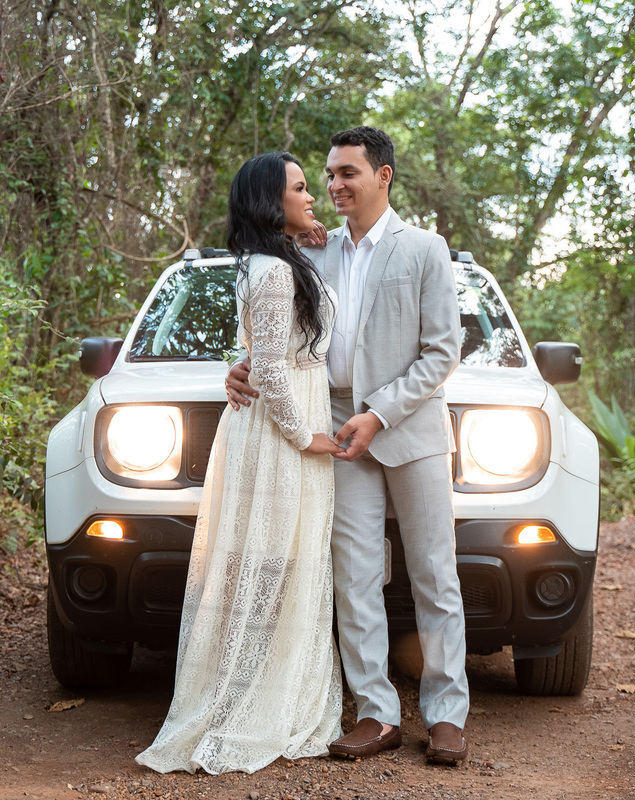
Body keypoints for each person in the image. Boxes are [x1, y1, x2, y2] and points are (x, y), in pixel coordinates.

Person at [227, 126, 470, 765]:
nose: (334, 186)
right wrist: (240, 365)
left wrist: (380, 414)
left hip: (408, 432)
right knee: (355, 576)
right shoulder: (311, 253)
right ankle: (377, 713)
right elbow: (276, 328)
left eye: (346, 174)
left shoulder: (425, 249)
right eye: (328, 175)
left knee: (433, 575)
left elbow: (443, 351)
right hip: (337, 434)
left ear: (382, 176)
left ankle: (446, 715)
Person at [136, 152, 343, 775]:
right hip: (285, 430)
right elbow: (274, 366)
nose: (313, 197)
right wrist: (305, 435)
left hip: (267, 424)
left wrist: (305, 240)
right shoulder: (276, 272)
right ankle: (259, 701)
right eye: (302, 188)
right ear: (269, 202)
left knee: (268, 561)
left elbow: (261, 350)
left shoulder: (267, 262)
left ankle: (253, 687)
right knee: (281, 562)